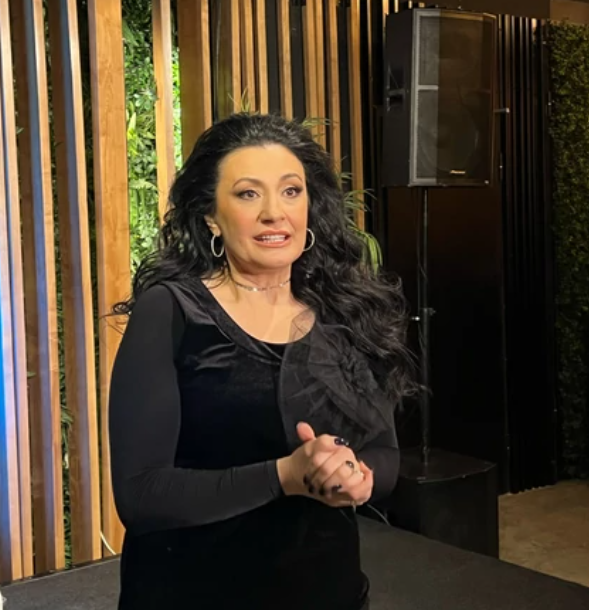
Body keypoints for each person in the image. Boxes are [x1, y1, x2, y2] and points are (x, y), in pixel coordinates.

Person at [108, 113, 416, 610]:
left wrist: (355, 475)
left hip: (327, 591)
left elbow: (385, 453)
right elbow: (141, 495)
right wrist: (285, 476)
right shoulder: (171, 311)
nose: (275, 212)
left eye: (291, 191)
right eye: (248, 194)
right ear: (211, 216)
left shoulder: (345, 313)